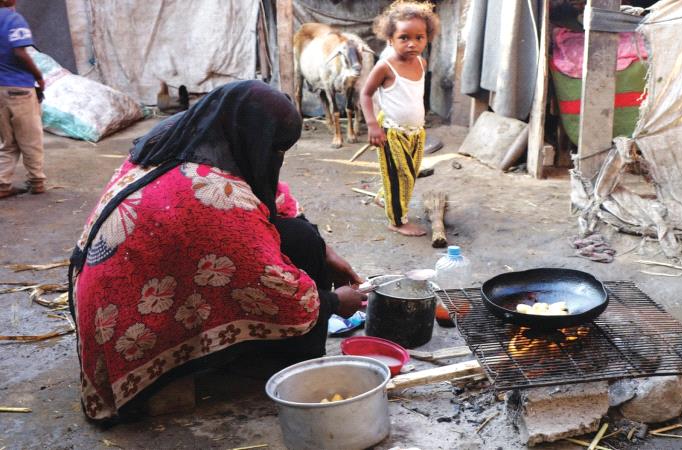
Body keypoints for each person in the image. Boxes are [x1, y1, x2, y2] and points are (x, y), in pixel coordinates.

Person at [68, 80, 367, 422]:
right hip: (124, 323)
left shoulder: (185, 137)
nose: (276, 159)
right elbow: (277, 289)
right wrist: (333, 302)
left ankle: (261, 350)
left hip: (110, 290)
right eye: (275, 149)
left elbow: (275, 197)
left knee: (303, 237)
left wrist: (326, 251)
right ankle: (280, 360)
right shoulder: (215, 194)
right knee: (290, 260)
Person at [360, 1, 440, 236]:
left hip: (416, 132)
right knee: (399, 177)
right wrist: (372, 125)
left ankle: (384, 198)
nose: (412, 43)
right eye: (404, 37)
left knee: (410, 174)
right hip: (391, 132)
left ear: (427, 38)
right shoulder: (385, 67)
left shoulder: (422, 63)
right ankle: (396, 221)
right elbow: (366, 94)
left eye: (419, 37)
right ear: (390, 39)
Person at [0, 0, 45, 199]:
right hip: (19, 87)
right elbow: (20, 52)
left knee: (8, 141)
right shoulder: (13, 19)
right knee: (31, 138)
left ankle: (2, 184)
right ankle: (36, 182)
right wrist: (38, 76)